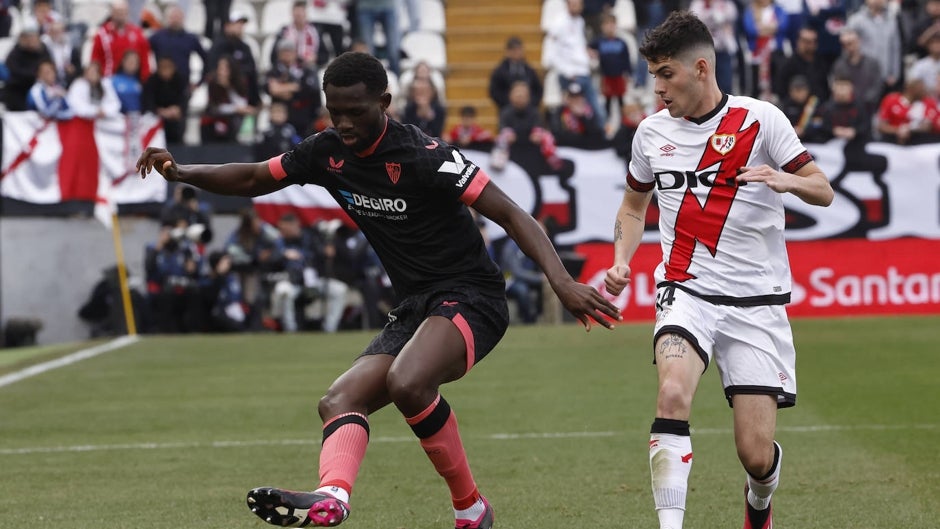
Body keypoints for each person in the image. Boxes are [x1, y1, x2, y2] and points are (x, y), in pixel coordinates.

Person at [137, 51, 620, 529]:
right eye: (335, 110)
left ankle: (470, 508)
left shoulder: (425, 156)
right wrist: (183, 172)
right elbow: (254, 176)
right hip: (415, 307)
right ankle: (334, 497)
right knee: (338, 400)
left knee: (408, 382)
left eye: (355, 111)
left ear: (384, 101)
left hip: (473, 297)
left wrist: (561, 283)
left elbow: (514, 214)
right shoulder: (326, 152)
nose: (343, 123)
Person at [604, 11, 833, 529]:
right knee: (672, 392)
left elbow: (823, 189)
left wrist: (785, 181)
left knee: (755, 454)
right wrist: (621, 260)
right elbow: (634, 207)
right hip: (685, 290)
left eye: (666, 74)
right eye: (653, 75)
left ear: (701, 68)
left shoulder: (762, 120)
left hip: (756, 303)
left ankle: (758, 503)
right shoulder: (649, 134)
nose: (656, 88)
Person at [148, 3, 207, 88]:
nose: (175, 20)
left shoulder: (190, 38)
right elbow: (143, 52)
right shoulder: (157, 37)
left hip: (182, 86)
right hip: (160, 86)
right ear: (167, 18)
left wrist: (199, 83)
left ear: (183, 18)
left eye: (178, 17)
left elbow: (206, 59)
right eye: (173, 17)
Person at [90, 0, 152, 80]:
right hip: (107, 80)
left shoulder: (137, 34)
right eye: (117, 12)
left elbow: (144, 60)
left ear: (127, 13)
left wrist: (144, 81)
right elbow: (95, 60)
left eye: (122, 12)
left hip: (132, 81)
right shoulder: (102, 34)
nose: (120, 15)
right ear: (112, 13)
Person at [589, 12, 633, 121]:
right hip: (606, 77)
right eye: (606, 24)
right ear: (602, 27)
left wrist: (628, 75)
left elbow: (626, 60)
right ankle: (606, 123)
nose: (609, 27)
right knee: (607, 102)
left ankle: (624, 123)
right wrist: (592, 54)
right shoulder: (599, 42)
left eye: (611, 24)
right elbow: (587, 47)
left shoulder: (622, 43)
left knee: (621, 101)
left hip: (619, 77)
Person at [488, 36, 543, 112]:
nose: (517, 53)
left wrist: (529, 102)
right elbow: (494, 91)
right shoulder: (500, 71)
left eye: (519, 50)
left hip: (528, 111)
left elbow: (538, 90)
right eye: (514, 50)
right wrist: (509, 101)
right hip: (506, 109)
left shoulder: (529, 70)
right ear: (508, 52)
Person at [143, 56, 189, 144]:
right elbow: (148, 101)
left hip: (175, 119)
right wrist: (159, 111)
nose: (165, 71)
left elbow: (184, 99)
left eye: (168, 67)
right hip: (156, 118)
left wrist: (177, 110)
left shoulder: (180, 80)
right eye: (162, 67)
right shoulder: (152, 81)